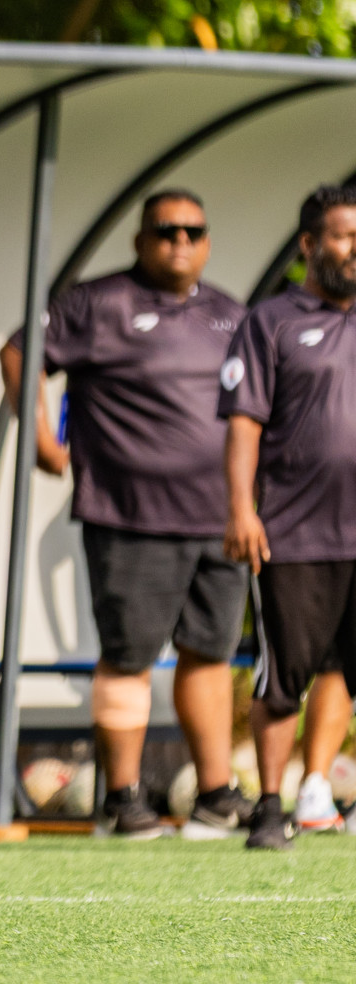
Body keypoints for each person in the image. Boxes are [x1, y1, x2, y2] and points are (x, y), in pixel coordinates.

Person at [0, 189, 254, 840]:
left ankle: (217, 794)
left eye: (193, 231)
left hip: (218, 518)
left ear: (207, 241)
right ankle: (124, 798)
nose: (180, 242)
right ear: (141, 239)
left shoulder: (230, 313)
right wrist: (41, 441)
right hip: (130, 513)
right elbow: (20, 351)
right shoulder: (96, 303)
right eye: (166, 230)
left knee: (210, 654)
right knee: (130, 656)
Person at [221, 183, 356, 850]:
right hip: (294, 532)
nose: (354, 248)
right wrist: (242, 510)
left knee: (342, 668)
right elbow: (243, 425)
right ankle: (268, 805)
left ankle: (315, 791)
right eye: (343, 235)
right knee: (284, 676)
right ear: (308, 245)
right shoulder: (270, 321)